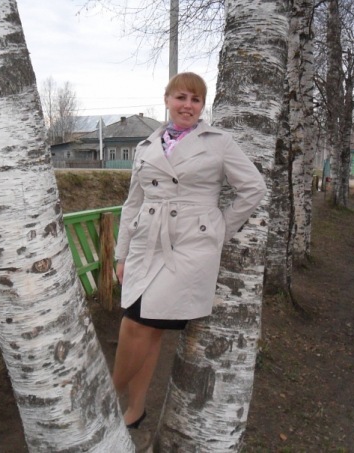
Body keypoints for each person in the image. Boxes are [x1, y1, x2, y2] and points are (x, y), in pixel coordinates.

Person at [111, 72, 266, 429]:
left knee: (137, 323)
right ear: (167, 100)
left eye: (196, 100)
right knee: (148, 328)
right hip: (146, 244)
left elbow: (253, 188)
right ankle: (135, 409)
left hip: (189, 248)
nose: (188, 105)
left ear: (202, 106)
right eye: (181, 97)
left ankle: (101, 398)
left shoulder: (219, 142)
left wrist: (219, 228)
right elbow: (132, 204)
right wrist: (122, 254)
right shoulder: (146, 146)